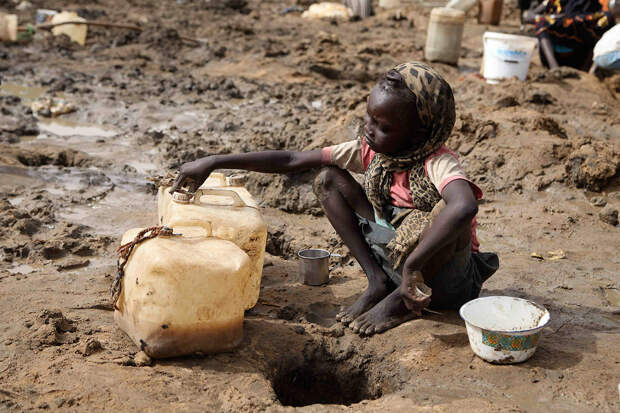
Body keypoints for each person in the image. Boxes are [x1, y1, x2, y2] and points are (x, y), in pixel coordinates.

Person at [172, 62, 499, 336]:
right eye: (369, 117)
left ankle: (403, 300)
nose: (369, 129)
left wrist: (413, 267)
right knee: (329, 178)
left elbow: (465, 205)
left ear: (419, 134)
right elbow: (291, 160)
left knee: (449, 210)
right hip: (396, 256)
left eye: (383, 126)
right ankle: (377, 281)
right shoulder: (372, 152)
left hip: (442, 281)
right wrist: (214, 161)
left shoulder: (437, 163)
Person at [523, 0, 615, 70]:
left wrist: (557, 19)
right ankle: (554, 68)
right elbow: (527, 17)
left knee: (598, 22)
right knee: (541, 21)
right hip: (550, 57)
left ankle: (587, 71)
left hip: (579, 59)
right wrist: (552, 18)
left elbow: (576, 20)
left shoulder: (596, 5)